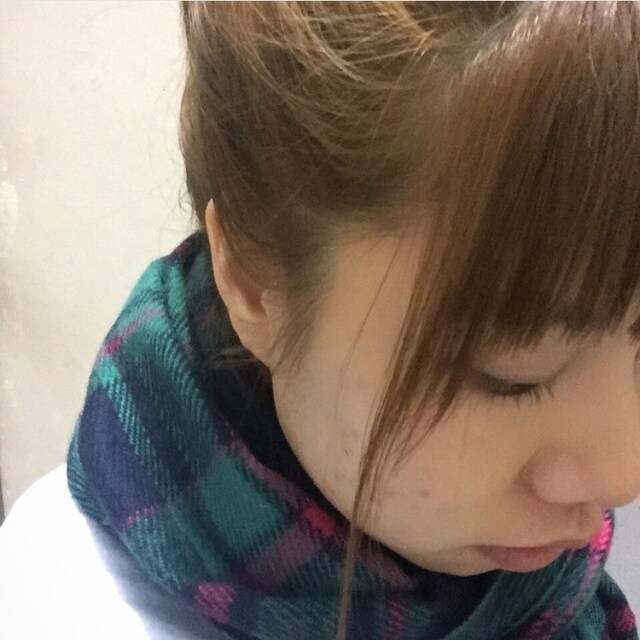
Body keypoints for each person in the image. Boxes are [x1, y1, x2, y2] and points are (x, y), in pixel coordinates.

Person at [2, 1, 640, 638]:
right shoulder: (62, 606)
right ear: (253, 277)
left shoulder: (545, 591)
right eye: (515, 374)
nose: (623, 478)